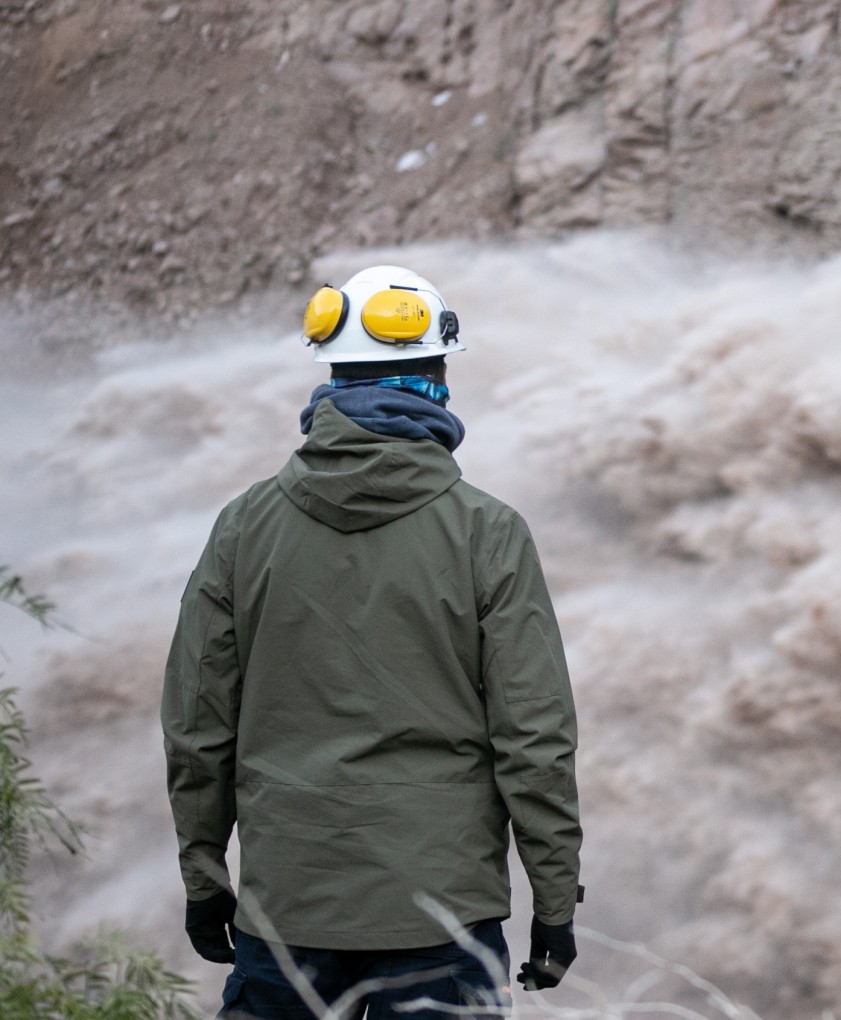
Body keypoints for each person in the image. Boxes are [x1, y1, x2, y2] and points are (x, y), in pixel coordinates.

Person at [161, 265, 584, 1019]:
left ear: (327, 374)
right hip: (441, 914)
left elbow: (197, 725)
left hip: (287, 908)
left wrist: (203, 876)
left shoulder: (243, 526)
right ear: (437, 373)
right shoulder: (488, 532)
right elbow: (534, 738)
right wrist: (553, 901)